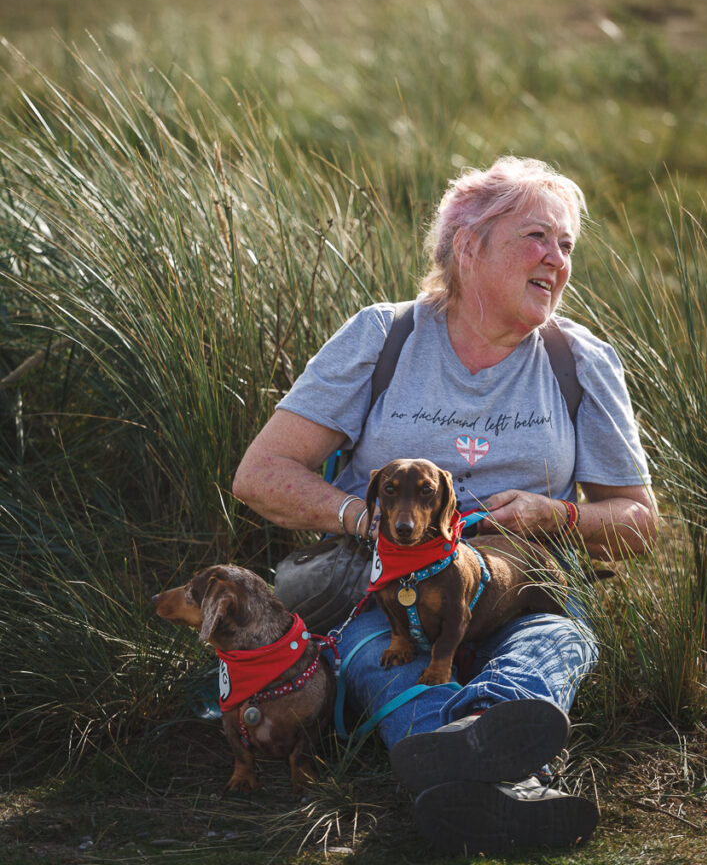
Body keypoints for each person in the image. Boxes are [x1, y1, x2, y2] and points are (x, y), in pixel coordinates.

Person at [233, 155, 657, 855]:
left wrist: (557, 516)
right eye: (536, 238)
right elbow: (260, 473)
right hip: (387, 594)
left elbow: (639, 523)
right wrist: (369, 521)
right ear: (468, 246)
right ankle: (508, 782)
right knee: (377, 647)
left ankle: (463, 754)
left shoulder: (580, 361)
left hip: (525, 590)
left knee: (559, 640)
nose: (557, 259)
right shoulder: (383, 336)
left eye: (566, 245)